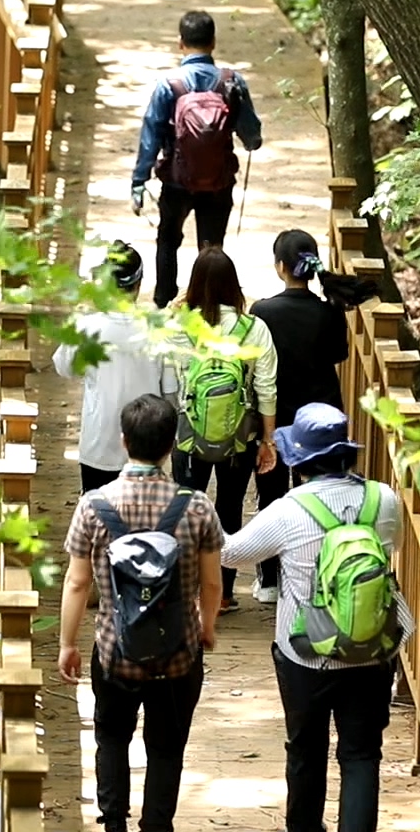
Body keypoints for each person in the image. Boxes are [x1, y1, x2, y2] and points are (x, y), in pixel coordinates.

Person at [220, 403, 402, 832]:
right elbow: (389, 547)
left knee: (306, 751)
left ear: (299, 460)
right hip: (372, 650)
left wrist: (201, 514)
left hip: (305, 655)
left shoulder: (289, 510)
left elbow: (230, 552)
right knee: (361, 755)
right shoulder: (384, 499)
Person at [58, 394, 224, 832]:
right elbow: (211, 583)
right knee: (167, 748)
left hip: (115, 651)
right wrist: (206, 627)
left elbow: (77, 582)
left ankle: (113, 823)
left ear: (123, 440)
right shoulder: (197, 506)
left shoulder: (94, 505)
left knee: (111, 738)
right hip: (179, 652)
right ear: (172, 444)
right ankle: (156, 825)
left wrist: (67, 644)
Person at [165, 247, 277, 613]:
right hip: (239, 437)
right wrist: (267, 440)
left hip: (189, 434)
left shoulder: (181, 326)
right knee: (228, 508)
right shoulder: (254, 329)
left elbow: (168, 381)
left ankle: (187, 590)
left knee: (186, 507)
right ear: (234, 286)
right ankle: (224, 593)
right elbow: (266, 389)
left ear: (194, 285)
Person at [130, 10, 264, 309]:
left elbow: (150, 134)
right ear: (213, 42)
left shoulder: (169, 84)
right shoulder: (231, 81)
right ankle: (209, 305)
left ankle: (165, 301)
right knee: (211, 247)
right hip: (218, 181)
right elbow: (251, 136)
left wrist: (139, 182)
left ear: (181, 43)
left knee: (168, 240)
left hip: (177, 181)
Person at [246, 230, 353, 603]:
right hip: (321, 415)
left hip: (276, 415)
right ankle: (317, 571)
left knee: (272, 496)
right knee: (319, 494)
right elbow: (339, 355)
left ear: (280, 268)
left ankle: (271, 580)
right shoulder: (329, 310)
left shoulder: (263, 311)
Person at [54, 242, 181, 494]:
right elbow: (170, 393)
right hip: (146, 446)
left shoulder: (87, 327)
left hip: (98, 443)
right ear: (139, 284)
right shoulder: (156, 330)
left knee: (97, 517)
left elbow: (63, 367)